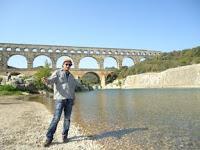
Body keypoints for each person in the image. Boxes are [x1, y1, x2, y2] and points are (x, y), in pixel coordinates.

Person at [42, 58, 77, 147]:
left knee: (67, 119)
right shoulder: (57, 72)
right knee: (56, 118)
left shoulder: (72, 76)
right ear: (63, 65)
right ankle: (49, 138)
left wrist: (74, 99)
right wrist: (46, 80)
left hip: (69, 100)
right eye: (66, 64)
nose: (68, 66)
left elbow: (73, 90)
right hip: (60, 99)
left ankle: (65, 136)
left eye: (70, 65)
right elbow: (51, 80)